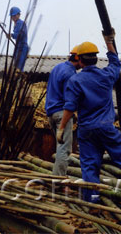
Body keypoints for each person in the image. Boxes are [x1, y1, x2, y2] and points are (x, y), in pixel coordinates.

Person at [57, 31, 121, 203]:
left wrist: (61, 128)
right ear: (96, 59)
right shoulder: (106, 76)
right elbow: (115, 62)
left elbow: (70, 107)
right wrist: (109, 42)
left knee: (89, 167)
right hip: (106, 127)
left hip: (87, 131)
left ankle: (93, 202)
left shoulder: (75, 81)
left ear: (80, 61)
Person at [45, 46, 81, 177]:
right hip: (62, 114)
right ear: (78, 58)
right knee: (64, 149)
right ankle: (58, 180)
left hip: (51, 112)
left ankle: (59, 176)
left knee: (59, 147)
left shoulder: (57, 67)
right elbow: (69, 101)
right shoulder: (71, 74)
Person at [9, 6, 28, 72]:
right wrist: (12, 35)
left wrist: (12, 35)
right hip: (18, 47)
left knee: (18, 68)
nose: (13, 17)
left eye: (15, 15)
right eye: (12, 16)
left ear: (18, 15)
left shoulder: (20, 23)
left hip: (22, 47)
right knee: (16, 67)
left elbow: (20, 35)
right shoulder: (16, 24)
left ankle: (19, 80)